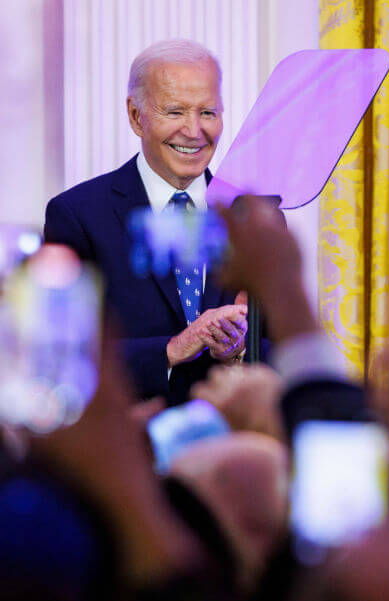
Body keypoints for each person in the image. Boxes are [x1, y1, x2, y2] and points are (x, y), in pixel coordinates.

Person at [44, 39, 249, 404]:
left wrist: (237, 350)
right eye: (175, 112)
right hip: (127, 446)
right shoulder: (77, 215)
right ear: (136, 116)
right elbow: (65, 357)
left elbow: (284, 349)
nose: (193, 131)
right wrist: (173, 348)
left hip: (232, 443)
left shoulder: (252, 216)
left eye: (207, 112)